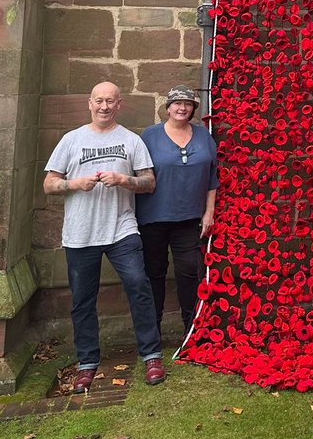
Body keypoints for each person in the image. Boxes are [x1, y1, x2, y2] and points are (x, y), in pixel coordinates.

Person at [43, 81, 165, 393]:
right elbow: (49, 183)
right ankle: (87, 362)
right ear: (90, 103)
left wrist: (126, 180)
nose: (104, 106)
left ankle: (151, 355)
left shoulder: (131, 140)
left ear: (119, 104)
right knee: (82, 300)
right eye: (99, 100)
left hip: (121, 230)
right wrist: (74, 185)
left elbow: (149, 182)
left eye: (110, 101)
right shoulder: (71, 140)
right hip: (80, 234)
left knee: (139, 285)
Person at [138, 86, 218, 338]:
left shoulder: (204, 136)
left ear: (193, 108)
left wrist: (209, 213)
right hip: (153, 218)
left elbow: (212, 177)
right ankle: (152, 335)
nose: (182, 108)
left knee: (188, 274)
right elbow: (138, 173)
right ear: (168, 107)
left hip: (189, 219)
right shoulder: (149, 136)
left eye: (187, 103)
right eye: (177, 103)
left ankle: (191, 331)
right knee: (154, 274)